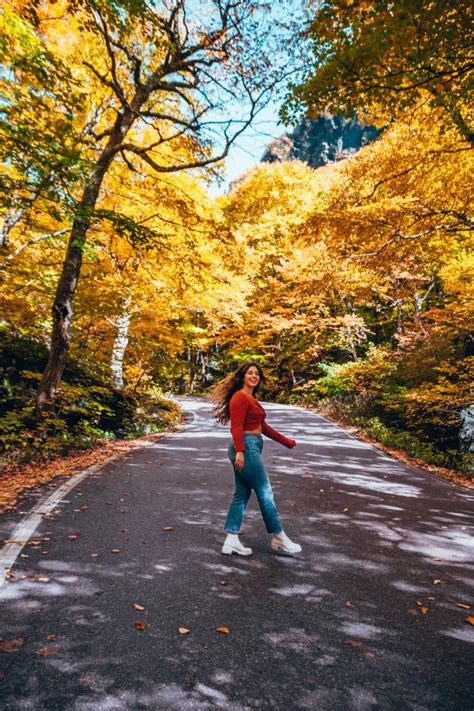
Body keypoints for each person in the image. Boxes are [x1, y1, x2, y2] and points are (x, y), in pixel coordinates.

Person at [211, 361, 302, 556]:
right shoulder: (240, 397)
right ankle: (278, 536)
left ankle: (231, 539)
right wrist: (241, 452)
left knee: (241, 494)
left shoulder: (251, 399)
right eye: (250, 373)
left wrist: (286, 441)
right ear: (242, 377)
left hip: (250, 445)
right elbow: (236, 427)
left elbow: (263, 427)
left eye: (257, 374)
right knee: (265, 491)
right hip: (245, 447)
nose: (254, 376)